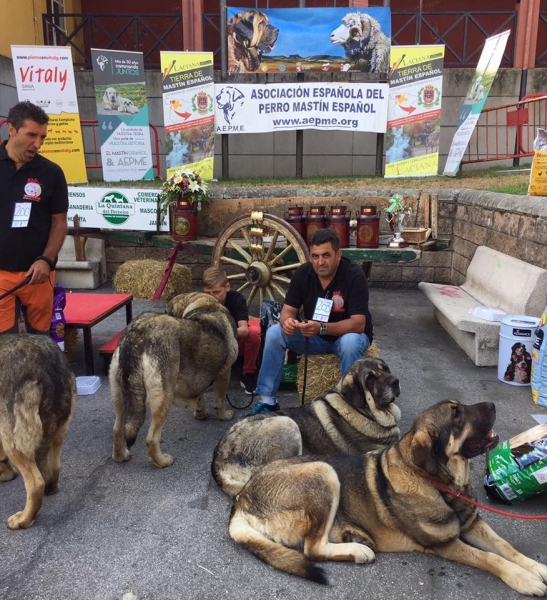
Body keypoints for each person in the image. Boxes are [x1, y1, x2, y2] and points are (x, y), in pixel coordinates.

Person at [249, 228, 373, 415]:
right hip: (314, 335)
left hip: (345, 337)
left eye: (326, 256)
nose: (320, 262)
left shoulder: (354, 275)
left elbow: (358, 324)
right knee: (275, 332)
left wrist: (321, 328)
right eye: (315, 256)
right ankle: (268, 401)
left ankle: (351, 406)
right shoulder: (303, 273)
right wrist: (288, 322)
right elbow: (287, 311)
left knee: (350, 342)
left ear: (338, 255)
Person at [0, 101, 68, 334]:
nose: (37, 144)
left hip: (38, 274)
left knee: (41, 345)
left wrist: (46, 260)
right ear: (11, 129)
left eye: (42, 137)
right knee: (5, 349)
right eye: (31, 135)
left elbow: (59, 223)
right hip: (0, 276)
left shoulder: (52, 172)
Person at [202, 266, 261, 394]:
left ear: (227, 287)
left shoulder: (237, 299)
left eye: (217, 292)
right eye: (208, 293)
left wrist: (219, 332)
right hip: (213, 347)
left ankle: (249, 372)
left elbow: (244, 330)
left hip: (235, 342)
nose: (212, 297)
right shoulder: (202, 302)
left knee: (254, 332)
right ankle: (208, 373)